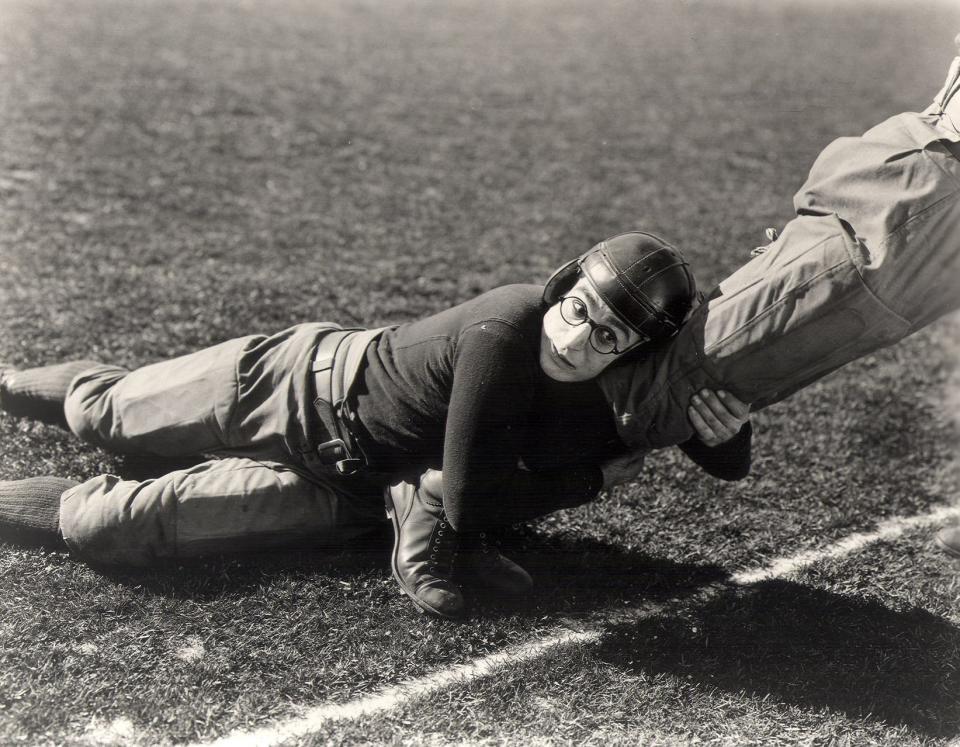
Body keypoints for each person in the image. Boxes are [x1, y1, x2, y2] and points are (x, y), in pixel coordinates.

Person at [0, 232, 752, 620]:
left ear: (638, 352)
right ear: (563, 286)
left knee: (111, 526)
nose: (577, 338)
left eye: (611, 336)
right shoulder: (507, 327)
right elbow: (474, 505)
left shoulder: (619, 383)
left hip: (353, 483)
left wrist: (726, 434)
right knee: (110, 412)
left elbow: (724, 462)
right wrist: (588, 478)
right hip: (297, 383)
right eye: (578, 308)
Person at [595, 40, 960, 554]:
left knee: (671, 395)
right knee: (656, 395)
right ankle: (459, 481)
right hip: (926, 195)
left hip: (926, 195)